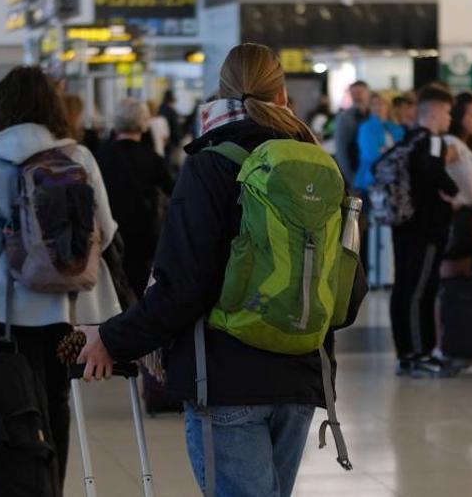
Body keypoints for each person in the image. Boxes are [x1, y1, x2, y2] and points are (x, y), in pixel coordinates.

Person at [74, 44, 364, 497]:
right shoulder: (321, 168)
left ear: (220, 93)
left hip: (225, 378)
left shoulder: (210, 164)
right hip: (301, 379)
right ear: (283, 94)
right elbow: (349, 294)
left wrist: (112, 339)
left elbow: (182, 287)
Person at [0, 65, 119, 490]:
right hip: (71, 311)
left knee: (17, 402)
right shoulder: (77, 155)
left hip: (11, 313)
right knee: (58, 397)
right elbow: (108, 229)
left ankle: (25, 484)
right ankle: (53, 486)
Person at [390, 86, 459, 377]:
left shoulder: (407, 138)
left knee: (404, 287)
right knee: (421, 289)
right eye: (446, 112)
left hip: (403, 224)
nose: (449, 118)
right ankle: (422, 353)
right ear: (431, 113)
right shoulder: (431, 140)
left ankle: (406, 352)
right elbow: (431, 172)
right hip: (426, 227)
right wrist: (452, 189)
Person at [97, 99, 175, 295]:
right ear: (144, 122)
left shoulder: (100, 156)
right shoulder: (152, 159)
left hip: (107, 233)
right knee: (139, 286)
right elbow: (174, 191)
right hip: (143, 233)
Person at [442, 93, 472, 276]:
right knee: (453, 278)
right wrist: (448, 199)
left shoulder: (470, 144)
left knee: (463, 276)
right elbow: (435, 172)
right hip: (457, 218)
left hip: (470, 217)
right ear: (458, 117)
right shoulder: (451, 144)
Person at [353, 93, 406, 192]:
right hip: (370, 179)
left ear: (388, 106)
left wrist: (385, 150)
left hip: (394, 178)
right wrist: (391, 151)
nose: (377, 107)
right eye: (373, 104)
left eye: (381, 103)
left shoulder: (396, 127)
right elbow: (369, 154)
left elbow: (403, 151)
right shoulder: (366, 127)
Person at [333, 80, 371, 182]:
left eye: (359, 93)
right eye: (353, 93)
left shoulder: (374, 114)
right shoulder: (345, 117)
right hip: (356, 171)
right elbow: (341, 150)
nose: (356, 97)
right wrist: (351, 179)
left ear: (368, 94)